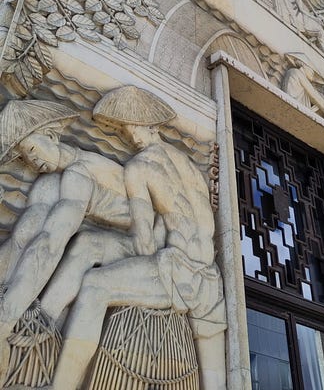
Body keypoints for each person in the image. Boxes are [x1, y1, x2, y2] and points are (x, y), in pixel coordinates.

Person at [49, 85, 226, 390]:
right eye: (126, 129)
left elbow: (143, 244)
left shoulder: (138, 167)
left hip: (178, 273)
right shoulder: (192, 168)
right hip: (210, 281)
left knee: (93, 285)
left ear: (151, 125)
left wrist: (103, 232)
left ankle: (59, 385)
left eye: (132, 127)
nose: (131, 136)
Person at [0, 98, 134, 384]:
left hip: (144, 237)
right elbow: (22, 240)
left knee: (84, 244)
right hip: (102, 223)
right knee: (39, 210)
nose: (31, 160)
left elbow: (50, 243)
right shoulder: (52, 181)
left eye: (32, 149)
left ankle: (40, 321)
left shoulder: (80, 172)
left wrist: (6, 321)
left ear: (50, 135)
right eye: (24, 156)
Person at [282, 52, 324, 120]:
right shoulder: (298, 73)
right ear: (304, 65)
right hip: (294, 111)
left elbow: (316, 95)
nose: (313, 75)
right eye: (312, 71)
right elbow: (314, 96)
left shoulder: (292, 72)